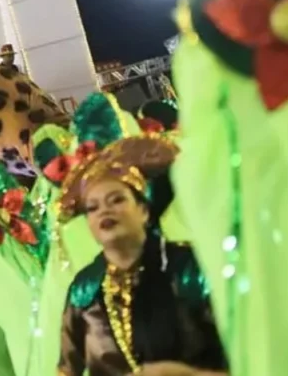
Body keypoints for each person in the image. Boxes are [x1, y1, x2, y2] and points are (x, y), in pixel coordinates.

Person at [55, 93, 226, 376]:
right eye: (93, 208)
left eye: (117, 200)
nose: (104, 212)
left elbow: (244, 352)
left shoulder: (188, 268)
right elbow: (66, 370)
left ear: (144, 210)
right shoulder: (85, 289)